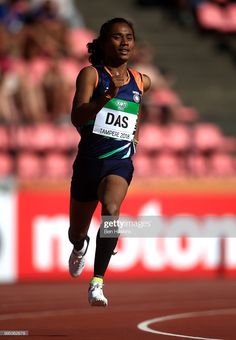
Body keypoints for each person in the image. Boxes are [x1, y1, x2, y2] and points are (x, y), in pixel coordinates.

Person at [68, 17, 151, 307]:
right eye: (117, 37)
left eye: (129, 36)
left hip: (119, 162)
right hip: (88, 163)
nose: (125, 42)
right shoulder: (91, 75)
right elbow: (77, 117)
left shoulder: (142, 80)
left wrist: (135, 136)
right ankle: (80, 246)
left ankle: (98, 281)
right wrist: (104, 99)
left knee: (112, 211)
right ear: (104, 43)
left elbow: (136, 110)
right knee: (75, 232)